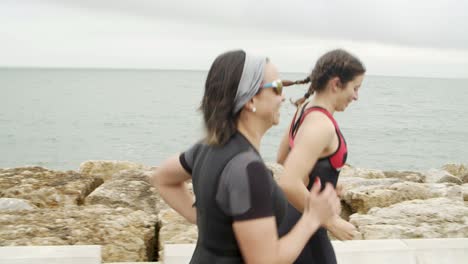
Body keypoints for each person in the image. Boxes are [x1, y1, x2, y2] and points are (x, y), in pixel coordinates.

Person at [151, 50, 340, 263]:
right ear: (250, 100)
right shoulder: (249, 169)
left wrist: (209, 222)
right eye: (277, 87)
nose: (284, 96)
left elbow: (162, 178)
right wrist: (312, 218)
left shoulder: (206, 148)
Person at [277, 49, 366, 264]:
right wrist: (332, 221)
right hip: (306, 227)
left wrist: (322, 182)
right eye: (355, 88)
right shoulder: (321, 125)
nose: (356, 96)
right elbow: (288, 181)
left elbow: (282, 158)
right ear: (336, 84)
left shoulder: (304, 109)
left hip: (295, 219)